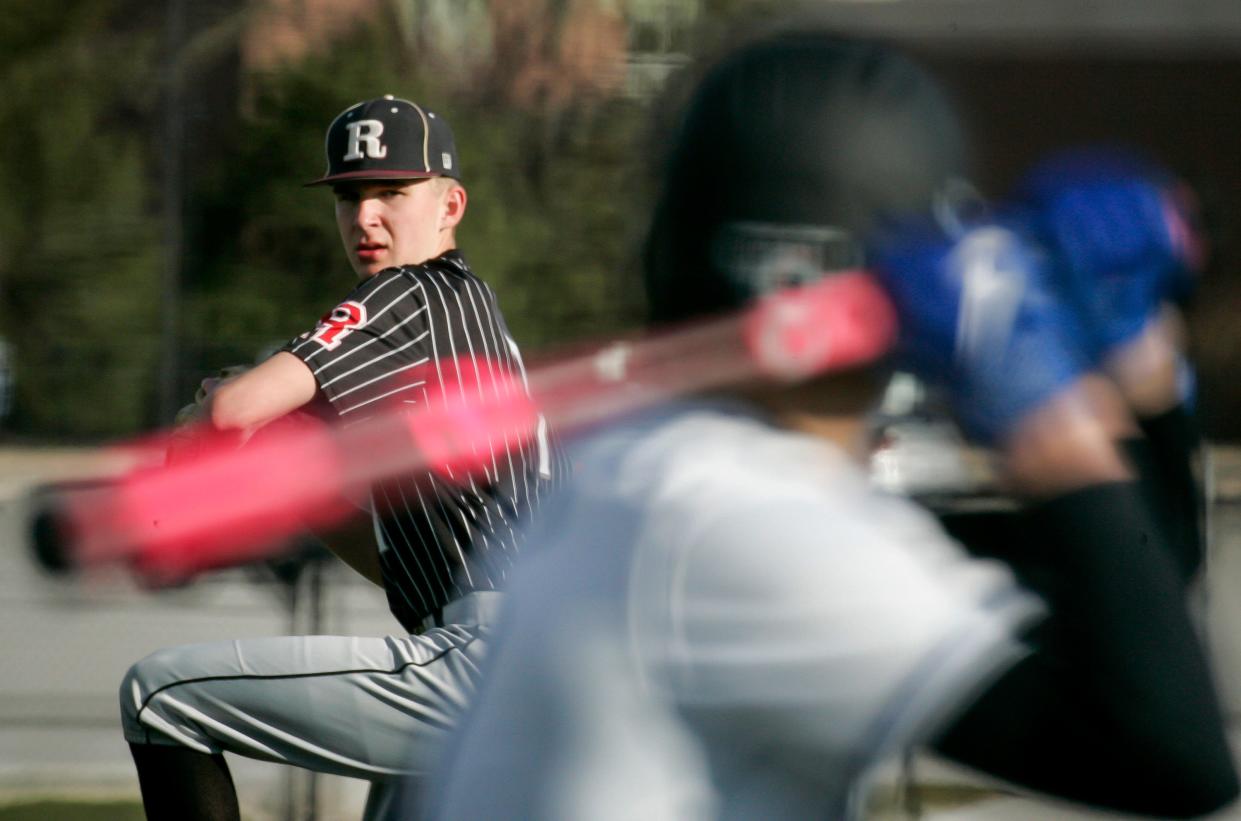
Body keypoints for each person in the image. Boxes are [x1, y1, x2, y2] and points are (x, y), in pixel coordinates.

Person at [426, 31, 1238, 820]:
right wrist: (1039, 402)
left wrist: (1140, 377)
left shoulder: (660, 475)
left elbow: (1128, 587)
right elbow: (1170, 758)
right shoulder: (729, 518)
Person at [119, 95, 561, 821]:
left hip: (485, 660)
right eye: (351, 196)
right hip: (542, 659)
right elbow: (406, 572)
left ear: (450, 204)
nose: (365, 217)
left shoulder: (413, 293)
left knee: (160, 697)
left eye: (393, 191)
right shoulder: (465, 328)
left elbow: (234, 409)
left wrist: (209, 414)